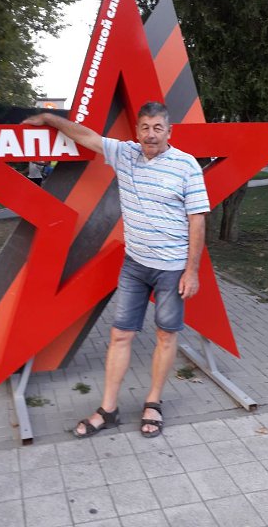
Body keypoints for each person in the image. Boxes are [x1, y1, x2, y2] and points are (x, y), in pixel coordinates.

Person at [22, 102, 210, 438]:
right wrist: (51, 118)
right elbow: (87, 137)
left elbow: (197, 221)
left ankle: (153, 403)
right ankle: (108, 409)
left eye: (158, 128)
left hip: (171, 269)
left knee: (166, 335)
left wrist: (191, 271)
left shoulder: (186, 166)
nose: (151, 135)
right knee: (120, 334)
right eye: (145, 128)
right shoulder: (125, 154)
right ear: (137, 131)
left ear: (169, 131)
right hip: (134, 265)